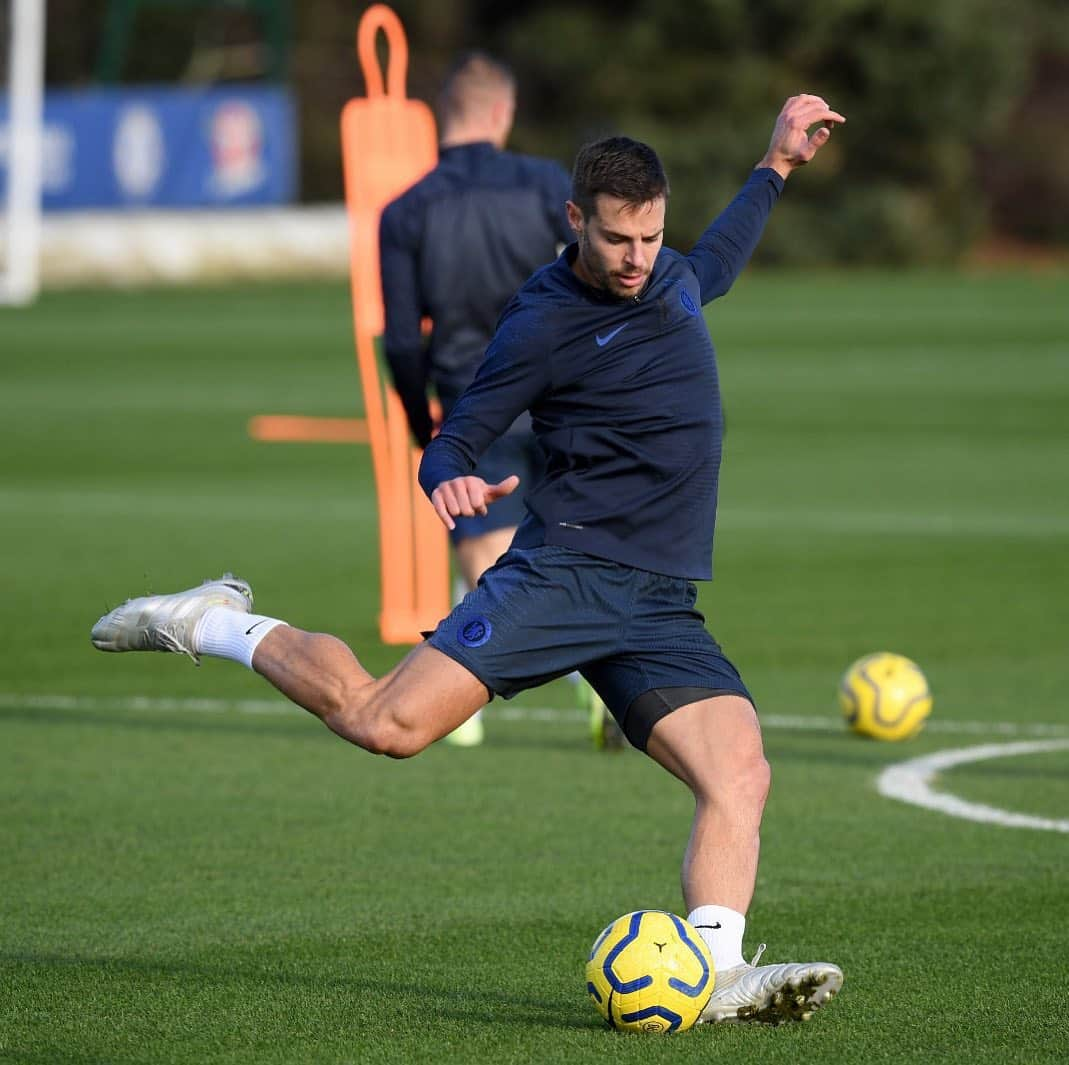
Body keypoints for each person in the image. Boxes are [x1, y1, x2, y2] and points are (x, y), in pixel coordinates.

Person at [92, 93, 846, 1025]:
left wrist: (774, 165)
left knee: (739, 772)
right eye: (617, 239)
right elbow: (453, 440)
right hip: (565, 574)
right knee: (385, 723)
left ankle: (717, 970)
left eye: (650, 237)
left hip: (656, 599)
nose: (636, 259)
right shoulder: (543, 319)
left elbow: (717, 256)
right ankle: (210, 618)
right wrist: (450, 481)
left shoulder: (673, 277)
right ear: (576, 220)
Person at [378, 51, 618, 747]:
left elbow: (398, 338)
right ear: (500, 113)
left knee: (488, 558)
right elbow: (595, 275)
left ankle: (460, 705)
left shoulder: (406, 210)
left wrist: (422, 422)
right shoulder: (546, 184)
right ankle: (598, 678)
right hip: (565, 391)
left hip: (468, 400)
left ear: (442, 117)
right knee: (574, 544)